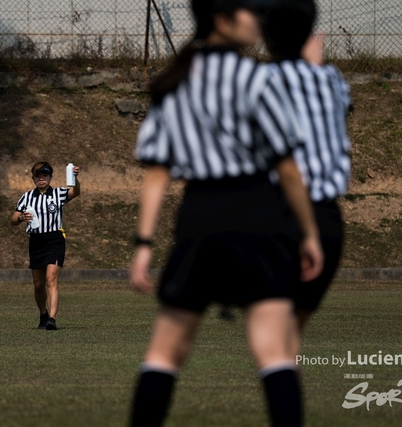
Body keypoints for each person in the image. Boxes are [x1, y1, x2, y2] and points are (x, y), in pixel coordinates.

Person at [128, 1, 323, 426]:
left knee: (164, 354)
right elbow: (287, 167)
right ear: (222, 20)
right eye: (249, 11)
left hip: (201, 218)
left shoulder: (175, 81)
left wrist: (144, 243)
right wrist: (308, 232)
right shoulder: (258, 78)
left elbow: (157, 171)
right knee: (274, 352)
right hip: (260, 218)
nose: (257, 20)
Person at [260, 0, 351, 346]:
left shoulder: (258, 81)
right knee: (288, 338)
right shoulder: (332, 80)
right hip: (328, 220)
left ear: (264, 35)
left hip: (278, 218)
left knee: (275, 343)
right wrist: (313, 64)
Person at [11, 161, 80, 330]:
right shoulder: (26, 197)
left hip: (54, 239)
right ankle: (43, 313)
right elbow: (13, 219)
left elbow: (75, 192)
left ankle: (52, 319)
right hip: (36, 241)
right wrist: (21, 218)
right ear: (33, 178)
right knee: (38, 284)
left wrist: (76, 179)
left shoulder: (58, 193)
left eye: (45, 175)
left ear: (51, 177)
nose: (42, 178)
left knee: (51, 279)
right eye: (38, 176)